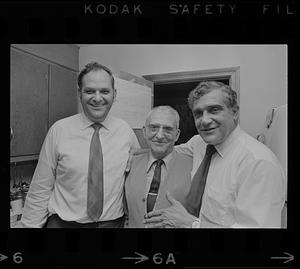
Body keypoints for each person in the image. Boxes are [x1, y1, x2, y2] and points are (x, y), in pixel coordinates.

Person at [144, 81, 286, 228]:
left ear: (235, 112)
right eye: (198, 113)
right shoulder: (199, 143)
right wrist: (134, 156)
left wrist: (191, 224)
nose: (204, 120)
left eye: (214, 110)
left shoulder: (258, 164)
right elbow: (167, 148)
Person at [21, 62, 140, 228]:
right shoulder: (59, 130)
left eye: (105, 91)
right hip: (63, 225)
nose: (97, 98)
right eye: (90, 91)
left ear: (114, 94)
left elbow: (139, 180)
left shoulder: (126, 132)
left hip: (113, 224)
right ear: (79, 93)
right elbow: (41, 188)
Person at [124, 106, 192, 227]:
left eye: (167, 129)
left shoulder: (193, 167)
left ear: (177, 135)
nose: (160, 135)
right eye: (154, 128)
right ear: (144, 131)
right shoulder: (130, 164)